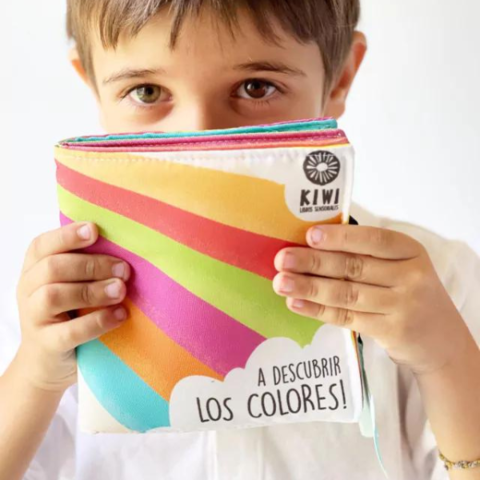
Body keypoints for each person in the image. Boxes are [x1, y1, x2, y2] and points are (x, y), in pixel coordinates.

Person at [1, 1, 479, 479]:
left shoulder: (433, 289)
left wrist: (446, 359)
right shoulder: (56, 302)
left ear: (339, 81)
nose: (199, 137)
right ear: (93, 86)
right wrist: (36, 374)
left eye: (256, 87)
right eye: (147, 91)